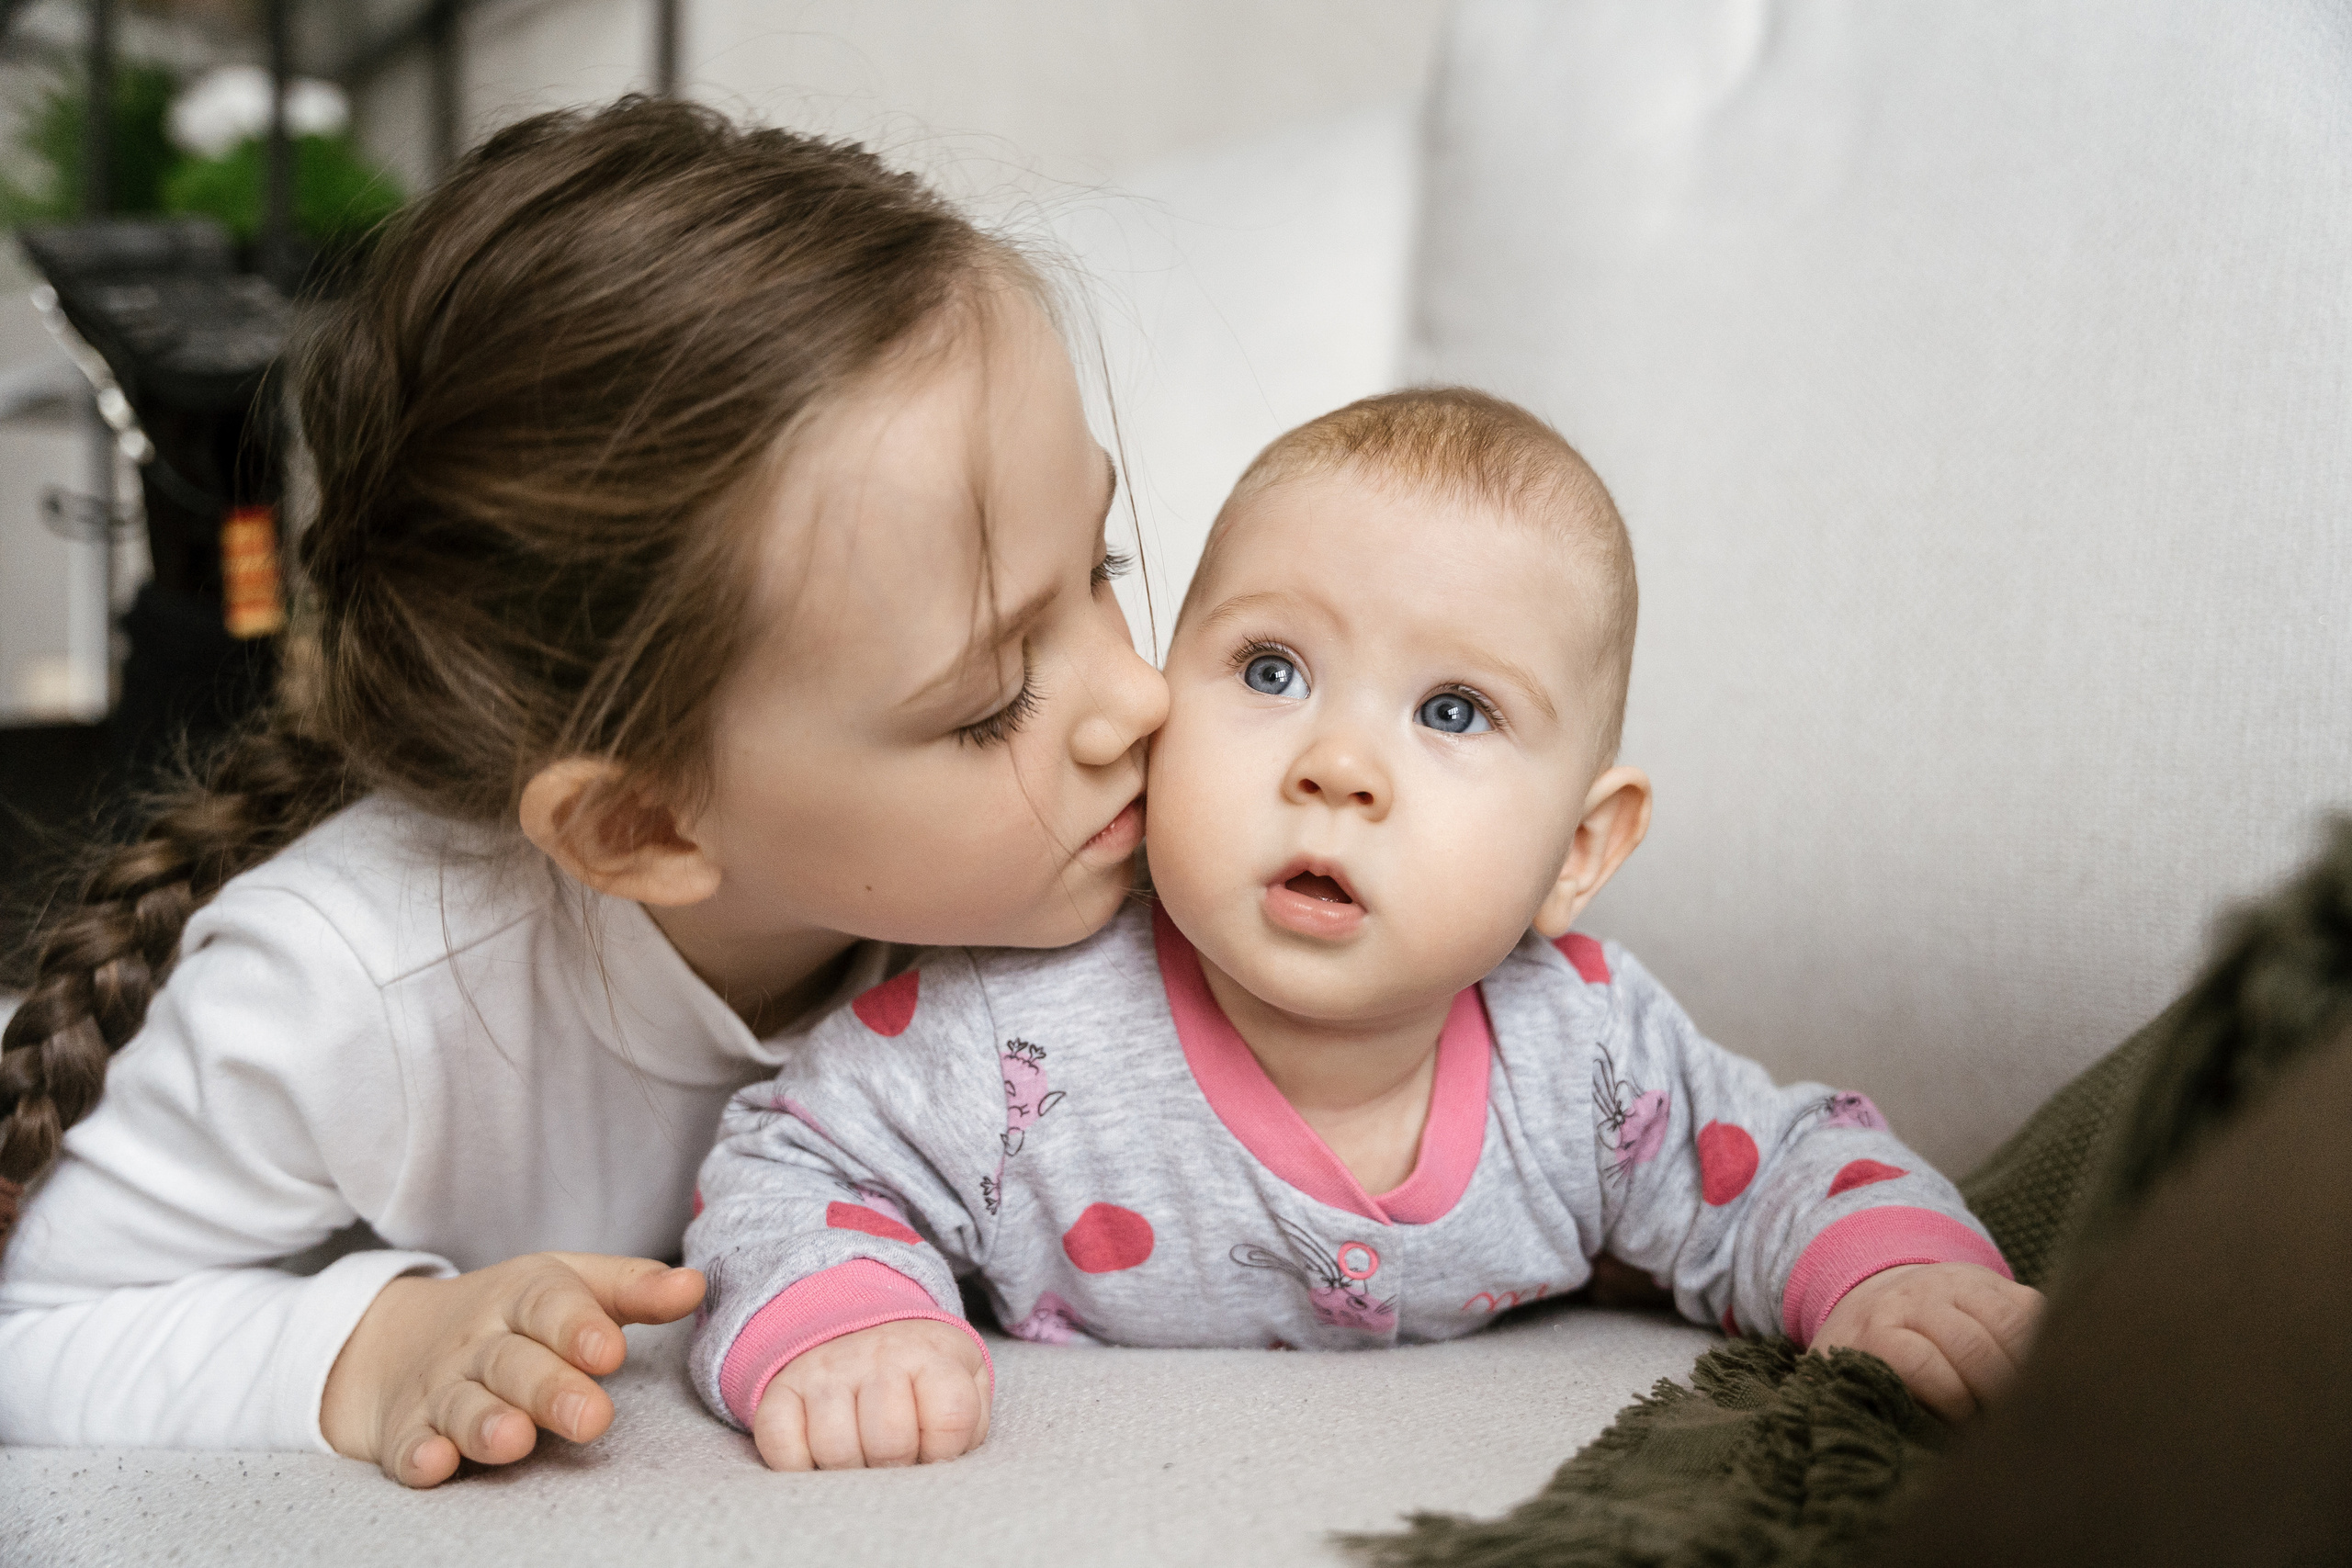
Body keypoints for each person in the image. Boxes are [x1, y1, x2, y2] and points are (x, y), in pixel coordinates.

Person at [0, 96, 1167, 1488]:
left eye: (1104, 572)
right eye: (993, 705)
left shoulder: (1082, 845)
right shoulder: (346, 990)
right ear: (644, 827)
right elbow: (41, 1327)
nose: (1140, 701)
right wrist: (374, 1348)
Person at [685, 388, 2047, 1472]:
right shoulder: (1013, 1025)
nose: (1338, 765)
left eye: (1453, 710)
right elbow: (796, 1156)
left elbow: (1783, 1169)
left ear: (1578, 851)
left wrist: (1891, 1280)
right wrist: (846, 1319)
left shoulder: (1583, 1053)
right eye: (1272, 670)